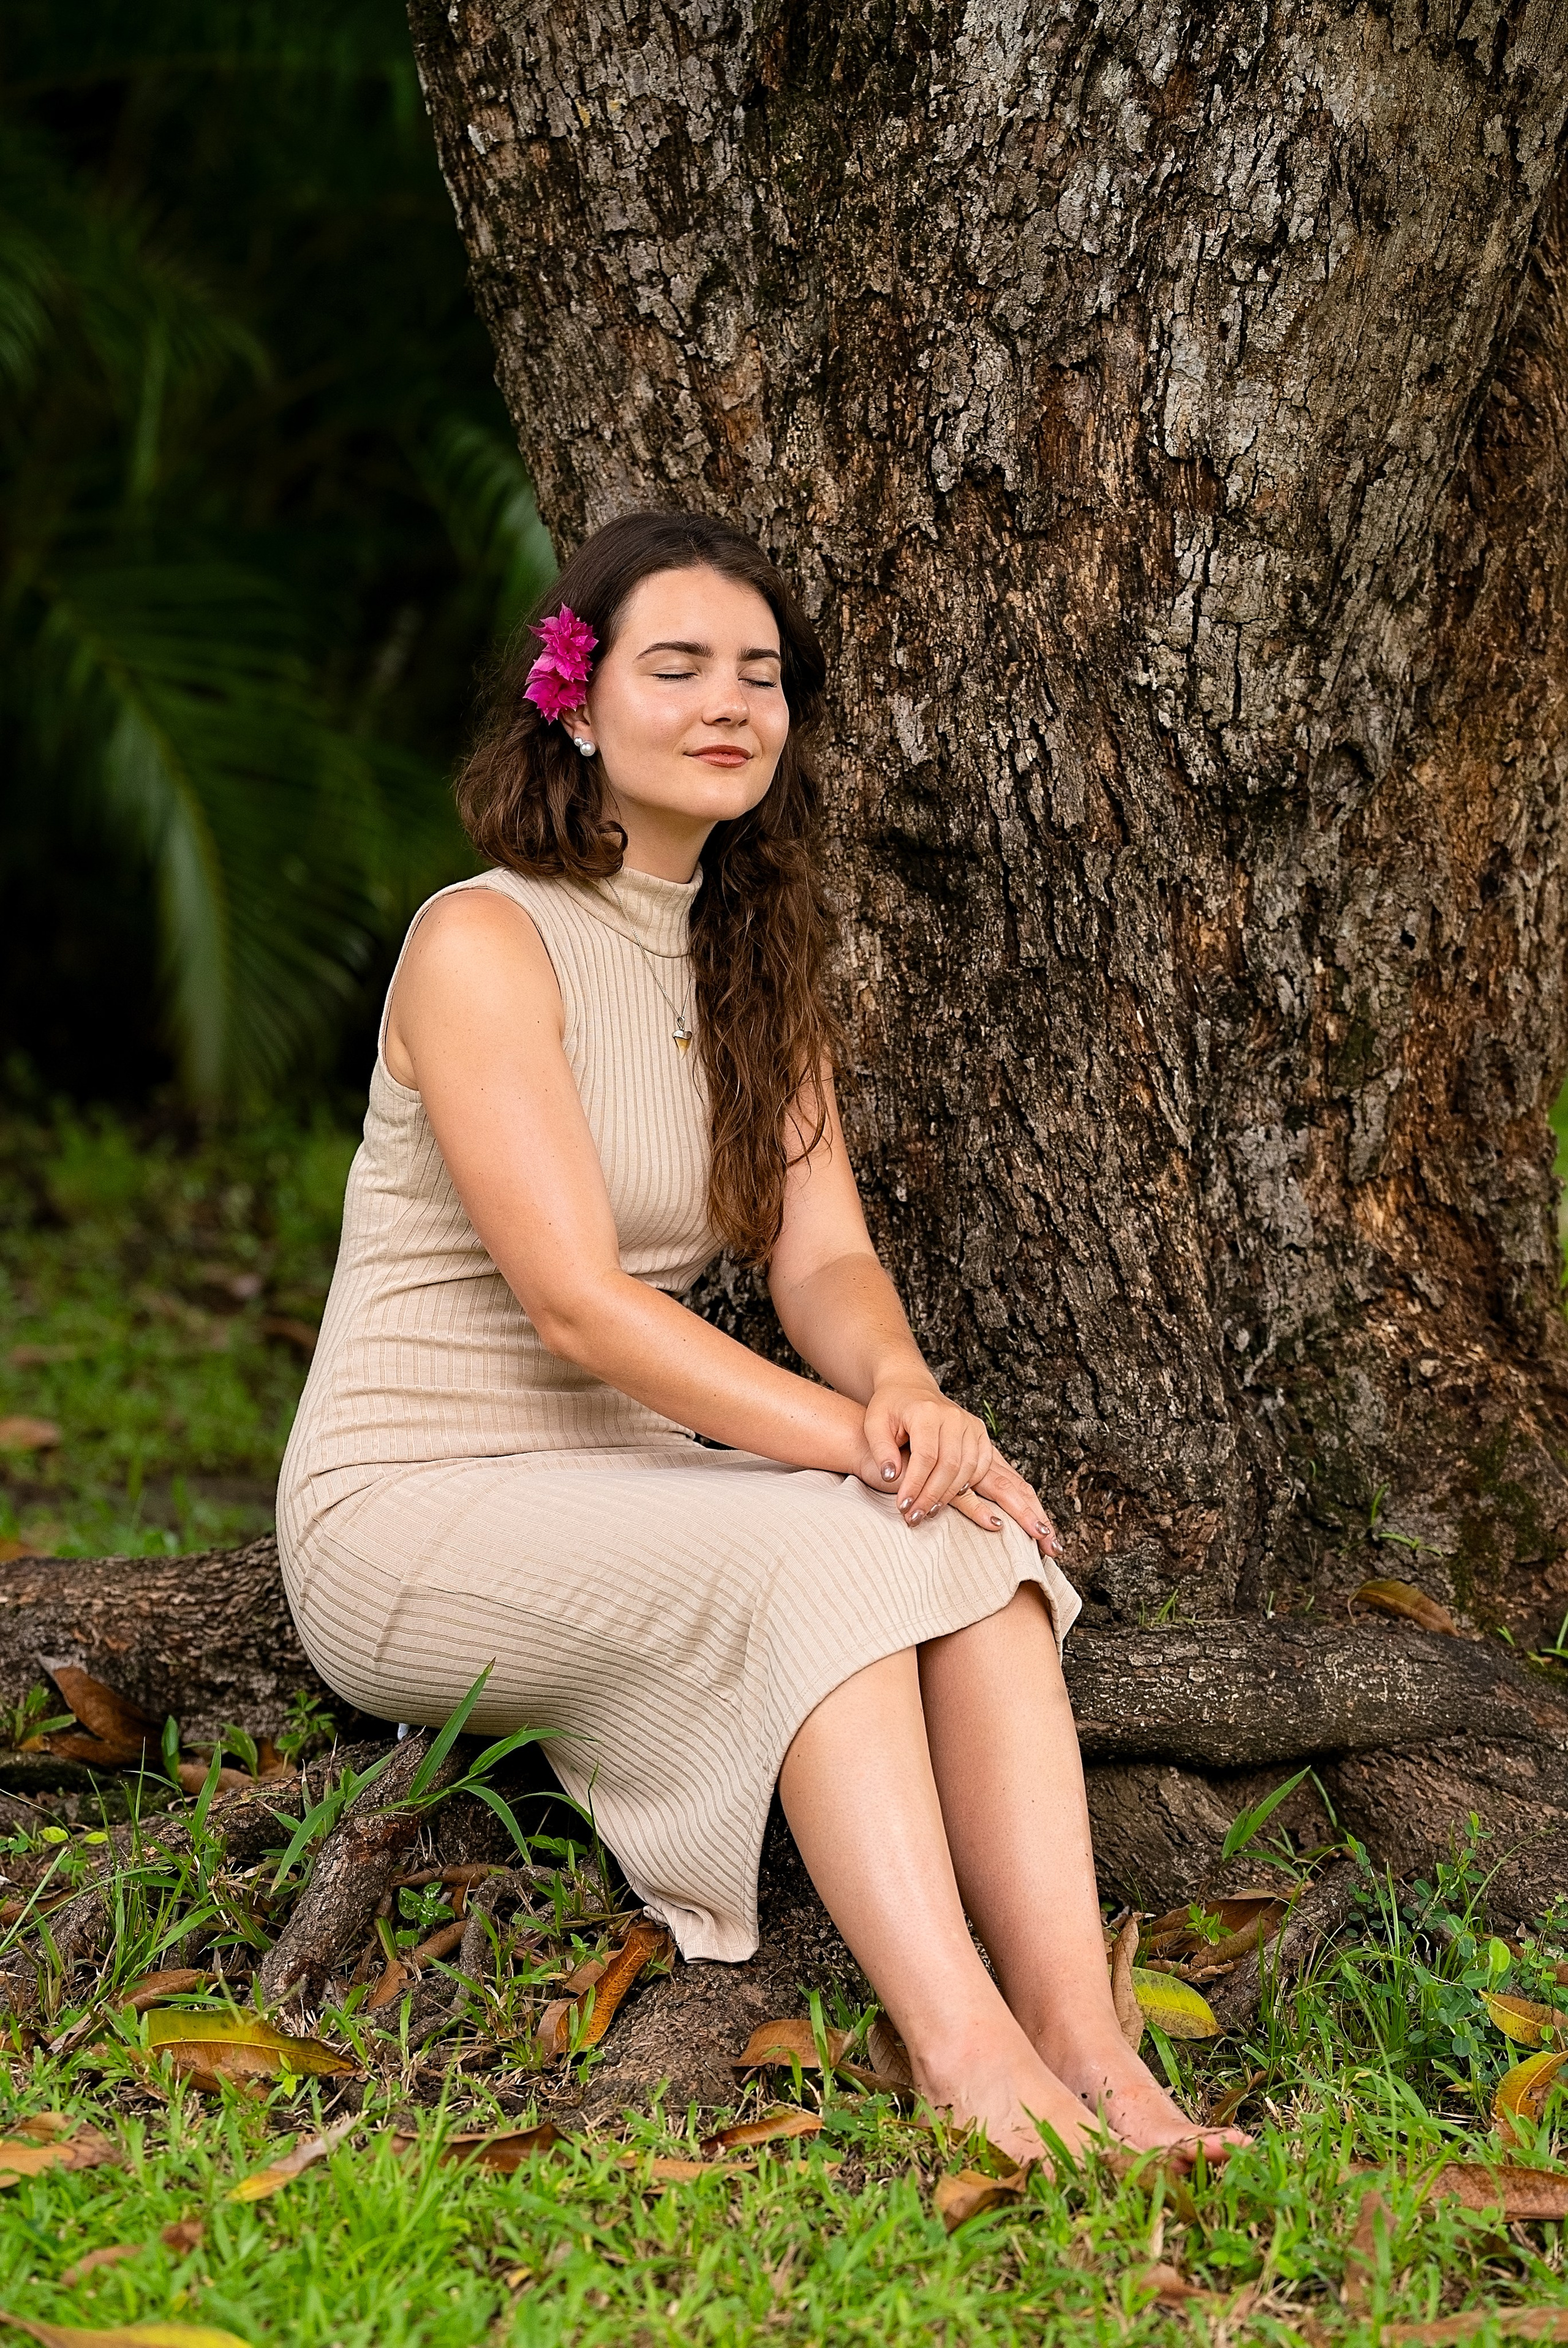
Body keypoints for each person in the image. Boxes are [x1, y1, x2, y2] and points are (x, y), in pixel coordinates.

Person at [276, 510, 1240, 2168]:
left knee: (978, 1541)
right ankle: (965, 2051)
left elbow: (829, 1260)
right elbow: (576, 1299)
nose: (728, 702)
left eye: (761, 673)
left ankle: (1089, 2042)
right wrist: (847, 1440)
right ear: (575, 703)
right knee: (835, 1537)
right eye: (676, 666)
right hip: (412, 1504)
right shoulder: (480, 937)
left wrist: (913, 1397)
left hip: (627, 1481)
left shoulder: (749, 958)